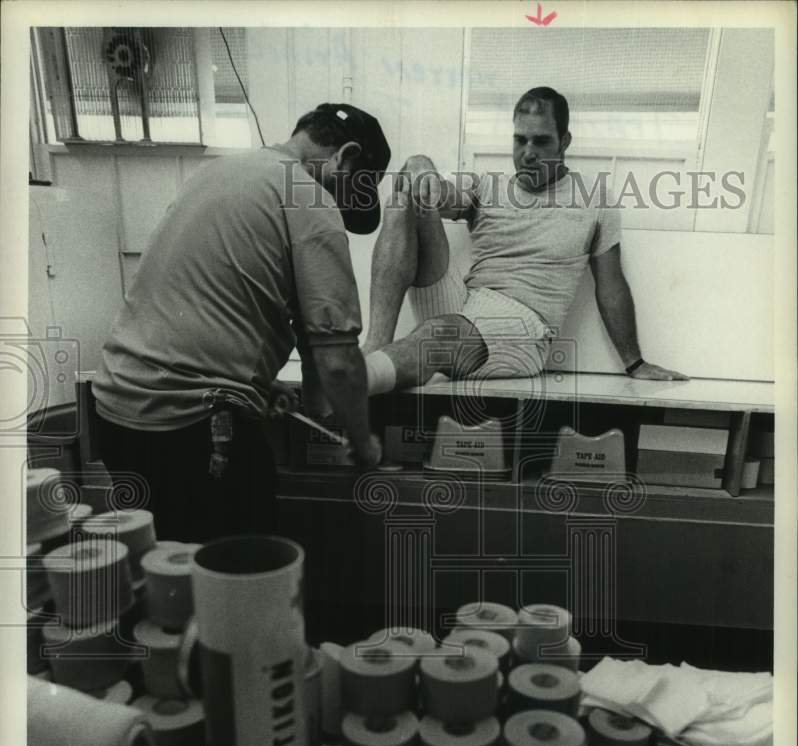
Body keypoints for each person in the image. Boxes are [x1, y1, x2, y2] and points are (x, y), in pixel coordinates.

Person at [92, 103, 390, 543]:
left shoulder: (219, 172)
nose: (340, 211)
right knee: (240, 581)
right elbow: (338, 363)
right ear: (344, 158)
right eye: (351, 197)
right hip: (190, 427)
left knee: (168, 568)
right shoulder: (308, 195)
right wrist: (364, 444)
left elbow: (208, 296)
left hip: (116, 413)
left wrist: (253, 382)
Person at [361, 86, 688, 395]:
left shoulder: (594, 199)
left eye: (541, 141)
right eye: (520, 140)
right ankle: (373, 348)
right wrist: (420, 165)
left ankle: (354, 383)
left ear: (564, 142)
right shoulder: (488, 188)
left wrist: (635, 363)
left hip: (523, 329)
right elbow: (436, 191)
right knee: (406, 199)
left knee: (438, 336)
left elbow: (611, 284)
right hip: (463, 307)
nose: (527, 153)